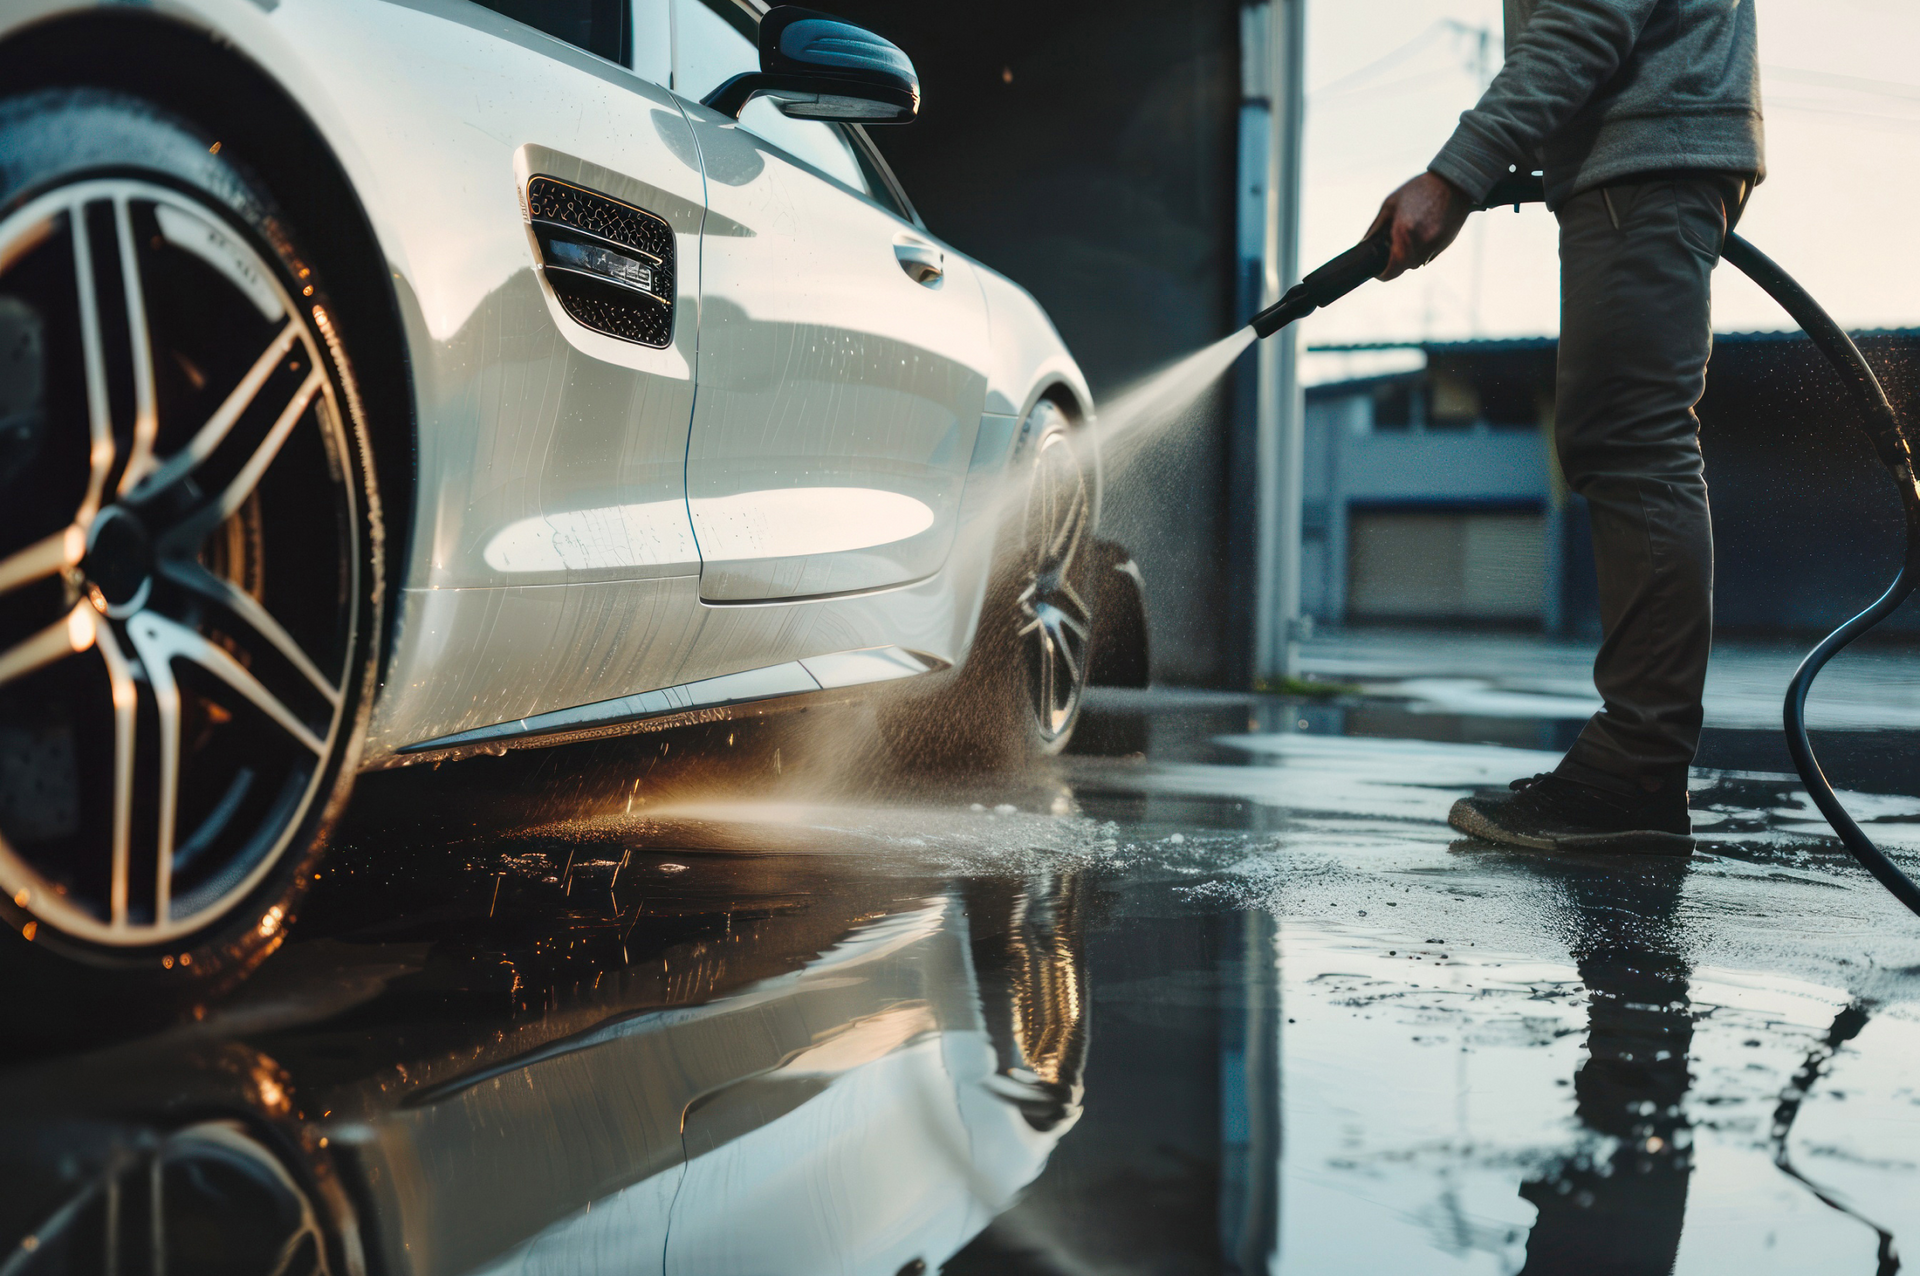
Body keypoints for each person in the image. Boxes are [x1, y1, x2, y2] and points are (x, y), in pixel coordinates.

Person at [1367, 0, 1764, 854]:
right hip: (1638, 153)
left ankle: (1636, 771)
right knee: (1613, 437)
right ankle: (1636, 767)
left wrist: (1455, 173)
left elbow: (1588, 19)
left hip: (1647, 154)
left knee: (1634, 442)